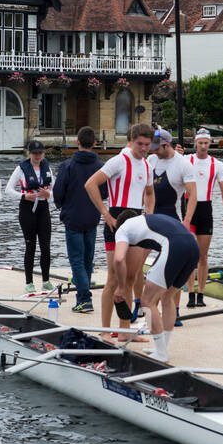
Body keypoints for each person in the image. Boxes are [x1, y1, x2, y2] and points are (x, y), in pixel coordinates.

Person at [84, 123, 155, 340]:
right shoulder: (119, 161)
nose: (143, 148)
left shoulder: (147, 165)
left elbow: (150, 193)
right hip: (116, 219)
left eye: (147, 145)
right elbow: (90, 184)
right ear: (131, 141)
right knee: (114, 279)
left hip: (137, 220)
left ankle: (124, 331)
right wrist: (106, 214)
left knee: (132, 278)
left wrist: (149, 217)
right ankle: (106, 330)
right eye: (139, 144)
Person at [109, 209, 199, 362]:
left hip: (174, 246)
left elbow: (118, 259)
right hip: (193, 246)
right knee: (167, 297)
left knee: (147, 302)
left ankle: (161, 353)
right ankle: (162, 347)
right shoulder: (149, 219)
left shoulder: (123, 228)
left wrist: (122, 287)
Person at [52, 126, 103, 314]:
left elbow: (58, 192)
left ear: (77, 142)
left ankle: (84, 299)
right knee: (88, 259)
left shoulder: (68, 165)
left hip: (73, 217)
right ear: (95, 143)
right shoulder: (100, 166)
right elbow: (104, 191)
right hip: (92, 217)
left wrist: (61, 205)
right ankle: (84, 295)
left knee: (77, 260)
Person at [148, 128, 196, 324]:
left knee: (172, 266)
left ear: (166, 145)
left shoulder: (183, 164)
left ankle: (174, 310)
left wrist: (186, 222)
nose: (153, 151)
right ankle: (141, 305)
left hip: (171, 217)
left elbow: (193, 195)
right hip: (151, 216)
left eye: (156, 148)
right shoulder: (151, 160)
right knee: (144, 266)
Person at [182, 129, 223, 309]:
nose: (203, 146)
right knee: (191, 254)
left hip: (205, 209)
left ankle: (201, 294)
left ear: (210, 143)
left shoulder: (217, 164)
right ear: (195, 143)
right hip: (189, 208)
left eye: (206, 143)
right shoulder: (186, 160)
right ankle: (190, 293)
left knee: (203, 256)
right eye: (200, 143)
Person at [5, 140, 54, 292]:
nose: (37, 156)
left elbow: (56, 190)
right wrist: (24, 196)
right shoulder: (21, 168)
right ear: (29, 153)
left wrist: (48, 194)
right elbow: (8, 190)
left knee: (45, 246)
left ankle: (46, 280)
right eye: (34, 153)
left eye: (40, 153)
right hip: (27, 209)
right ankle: (29, 282)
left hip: (43, 207)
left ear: (43, 154)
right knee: (30, 246)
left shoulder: (47, 168)